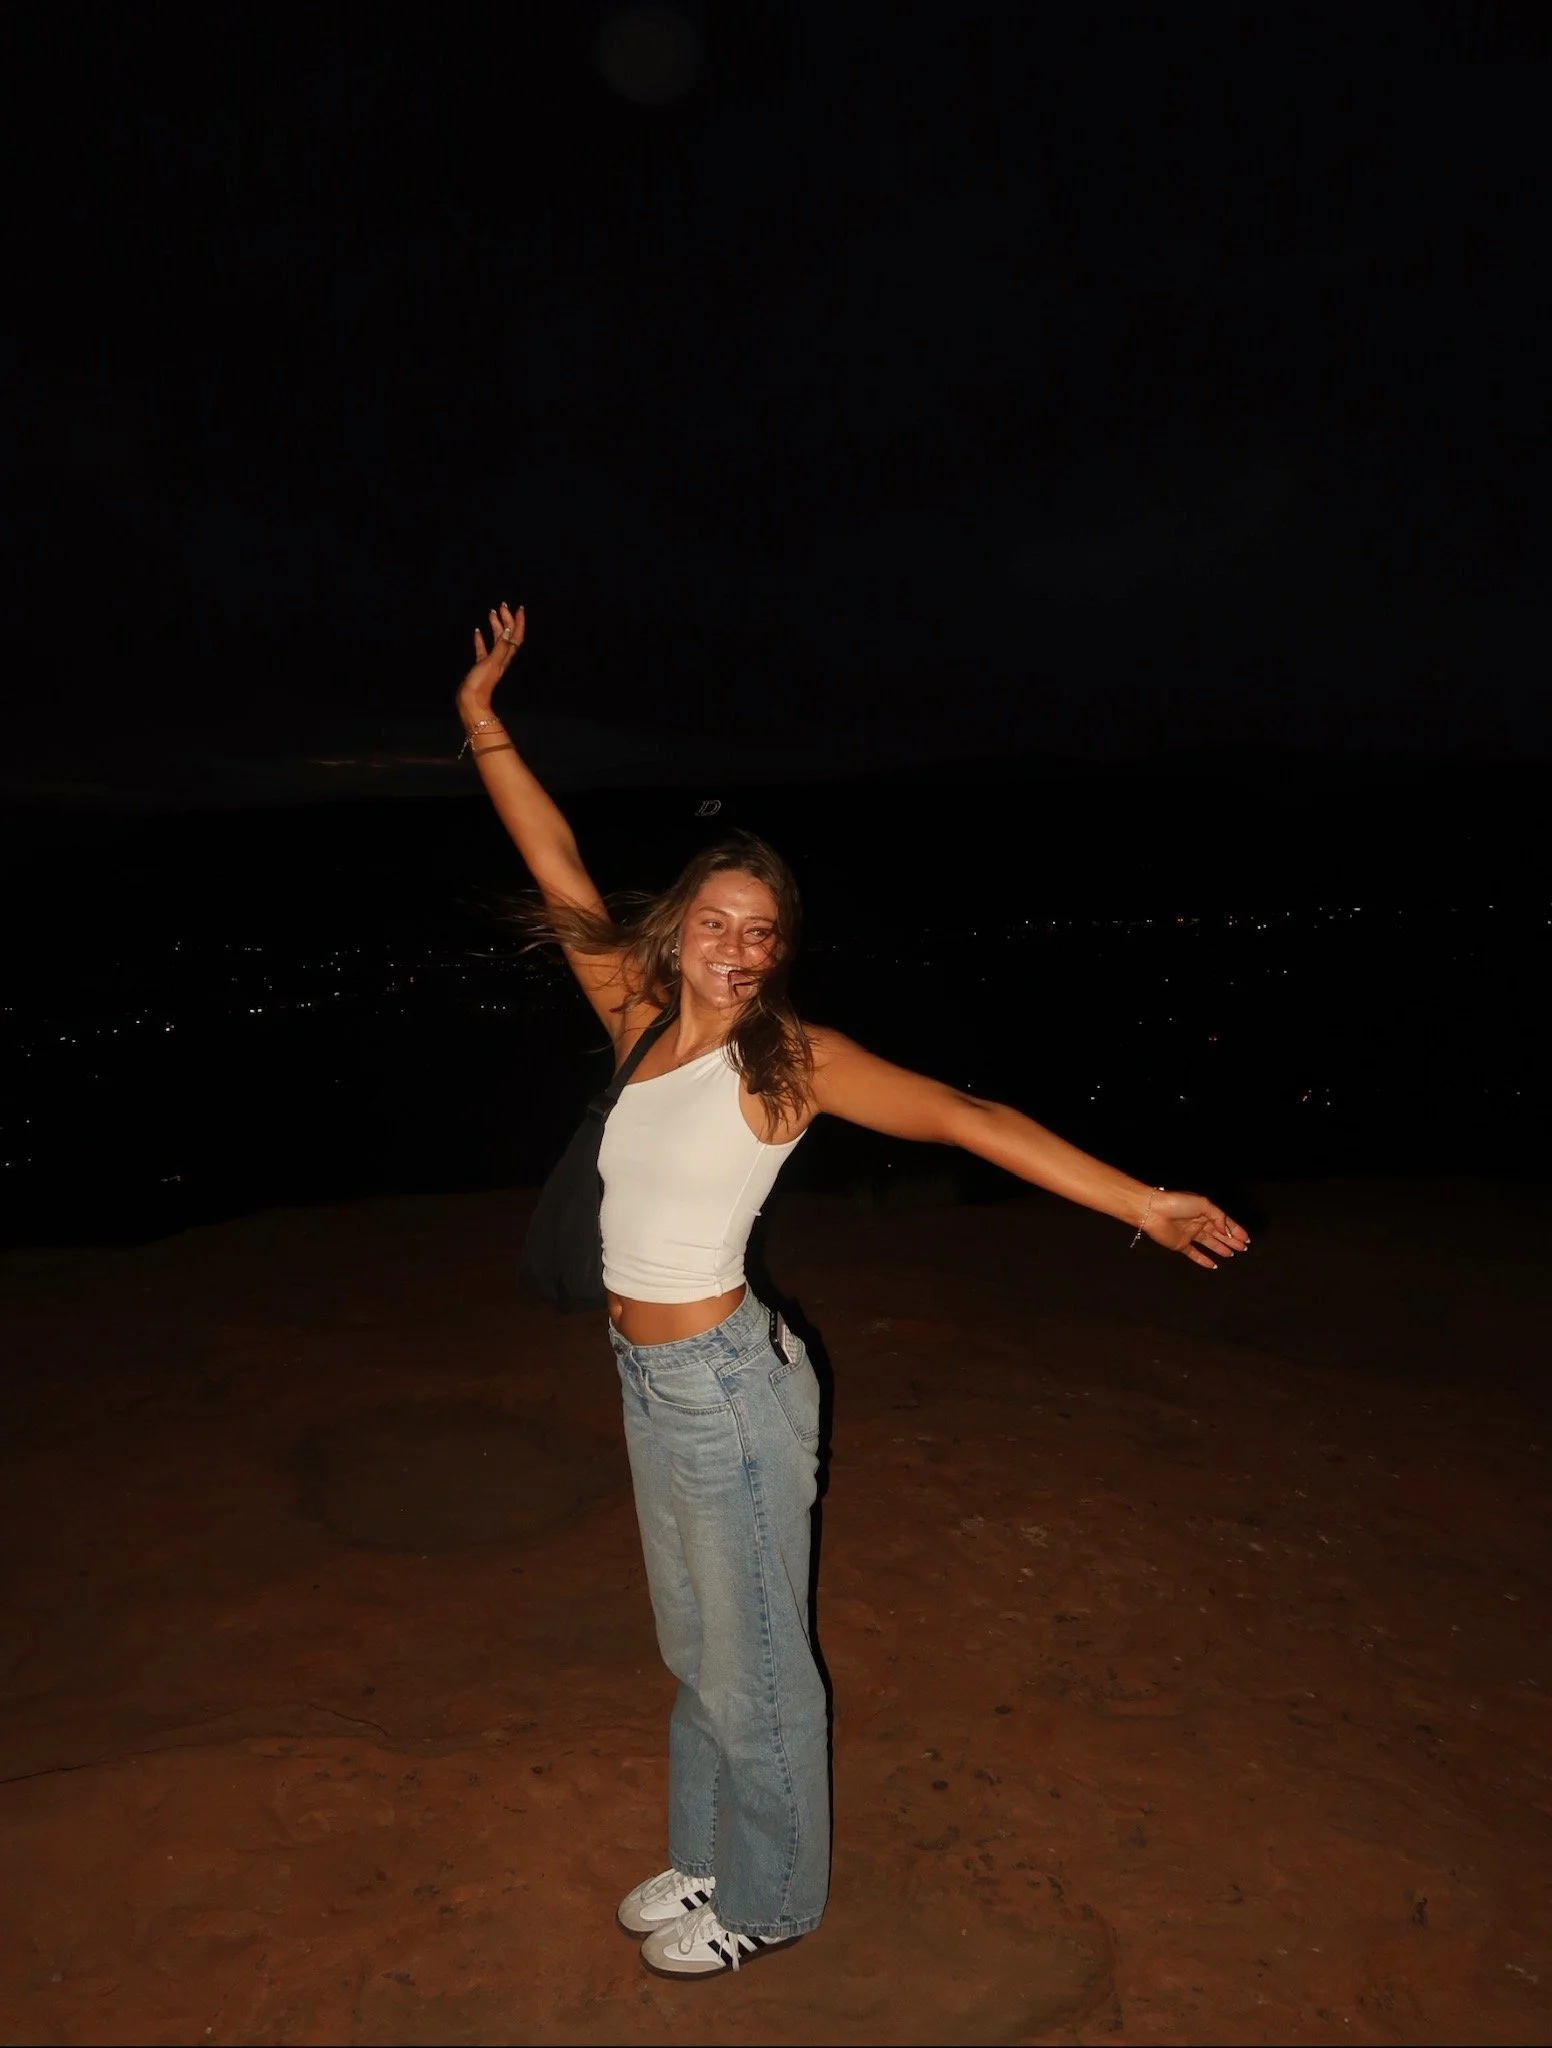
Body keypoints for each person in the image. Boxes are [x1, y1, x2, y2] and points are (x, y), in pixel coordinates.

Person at [457, 601, 1251, 1979]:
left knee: (757, 1661)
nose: (738, 945)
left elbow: (962, 1113)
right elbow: (555, 855)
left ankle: (769, 1900)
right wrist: (481, 724)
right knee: (697, 1646)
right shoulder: (634, 1014)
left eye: (761, 932)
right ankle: (711, 1852)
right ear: (680, 924)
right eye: (718, 919)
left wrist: (1141, 1203)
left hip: (725, 1391)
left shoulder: (793, 1060)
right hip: (648, 1380)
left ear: (778, 951)